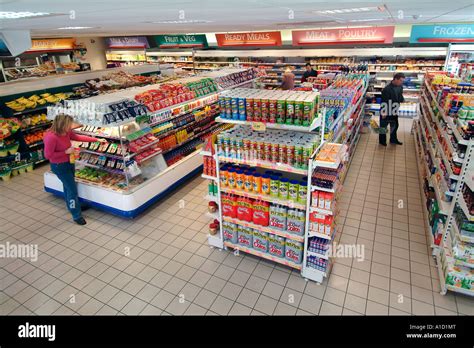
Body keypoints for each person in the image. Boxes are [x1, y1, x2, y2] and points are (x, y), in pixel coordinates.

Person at [44, 114, 103, 225]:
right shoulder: (50, 137)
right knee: (72, 190)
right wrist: (65, 152)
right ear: (62, 124)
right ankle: (76, 215)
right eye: (69, 124)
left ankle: (73, 205)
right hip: (59, 166)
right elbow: (48, 155)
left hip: (69, 162)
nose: (71, 126)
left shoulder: (66, 131)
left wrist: (96, 140)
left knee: (68, 187)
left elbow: (77, 137)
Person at [379, 73, 405, 146]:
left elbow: (400, 95)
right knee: (383, 127)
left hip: (394, 110)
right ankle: (382, 141)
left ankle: (393, 140)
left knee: (394, 125)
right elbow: (384, 102)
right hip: (386, 110)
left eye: (402, 81)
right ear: (395, 79)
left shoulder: (400, 87)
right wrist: (384, 112)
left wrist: (402, 100)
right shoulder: (386, 89)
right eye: (400, 80)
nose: (401, 82)